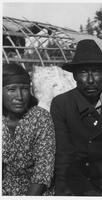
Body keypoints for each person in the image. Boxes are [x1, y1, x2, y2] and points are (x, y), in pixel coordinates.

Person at [50, 39, 102, 196]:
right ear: (74, 75)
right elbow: (63, 157)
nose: (90, 80)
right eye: (83, 72)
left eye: (96, 71)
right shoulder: (61, 104)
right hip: (75, 183)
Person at [2, 63, 55, 196]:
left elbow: (43, 169)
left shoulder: (40, 118)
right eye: (11, 89)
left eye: (24, 89)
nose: (19, 96)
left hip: (35, 191)